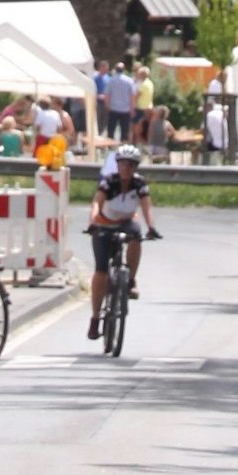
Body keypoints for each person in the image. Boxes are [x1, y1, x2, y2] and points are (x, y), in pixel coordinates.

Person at [85, 145, 161, 339]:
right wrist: (92, 223)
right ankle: (95, 318)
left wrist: (152, 227)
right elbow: (97, 203)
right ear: (117, 165)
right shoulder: (109, 182)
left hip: (126, 222)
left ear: (135, 167)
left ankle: (131, 280)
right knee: (101, 271)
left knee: (136, 236)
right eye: (123, 164)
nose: (126, 168)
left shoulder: (139, 183)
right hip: (104, 224)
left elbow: (146, 207)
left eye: (131, 165)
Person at [105, 63, 136, 141]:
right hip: (125, 109)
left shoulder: (111, 80)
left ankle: (110, 144)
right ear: (124, 70)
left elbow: (107, 95)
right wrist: (132, 108)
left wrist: (107, 105)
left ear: (115, 69)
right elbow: (132, 96)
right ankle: (123, 144)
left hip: (113, 108)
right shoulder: (129, 81)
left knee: (111, 129)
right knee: (124, 130)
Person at [131, 65, 155, 144]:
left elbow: (136, 97)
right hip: (148, 108)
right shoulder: (150, 83)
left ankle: (136, 144)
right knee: (145, 129)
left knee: (136, 128)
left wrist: (133, 108)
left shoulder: (143, 85)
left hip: (140, 108)